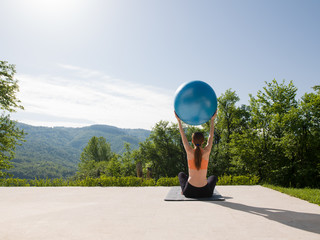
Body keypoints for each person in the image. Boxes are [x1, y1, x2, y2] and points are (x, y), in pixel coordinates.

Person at [175, 111, 217, 198]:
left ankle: (183, 190)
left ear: (192, 141)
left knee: (181, 174)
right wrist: (212, 120)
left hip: (189, 192)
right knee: (213, 177)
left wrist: (179, 120)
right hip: (205, 192)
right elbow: (211, 136)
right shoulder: (207, 151)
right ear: (203, 141)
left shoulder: (189, 152)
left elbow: (183, 135)